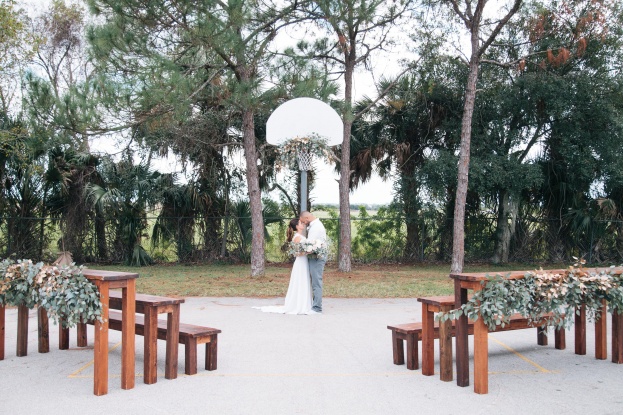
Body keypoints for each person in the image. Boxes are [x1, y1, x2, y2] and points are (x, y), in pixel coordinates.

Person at [254, 218, 316, 315]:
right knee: (300, 281)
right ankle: (299, 305)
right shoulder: (297, 237)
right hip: (300, 262)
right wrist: (309, 251)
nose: (303, 224)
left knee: (304, 281)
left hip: (304, 262)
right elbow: (297, 253)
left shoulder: (300, 236)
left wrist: (310, 250)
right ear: (296, 226)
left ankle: (304, 304)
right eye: (301, 223)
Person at [299, 211, 327, 313]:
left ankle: (317, 308)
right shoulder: (314, 225)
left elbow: (310, 244)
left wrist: (301, 251)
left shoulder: (316, 227)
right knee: (314, 282)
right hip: (314, 256)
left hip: (316, 257)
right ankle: (314, 304)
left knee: (316, 282)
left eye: (303, 221)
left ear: (306, 218)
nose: (304, 223)